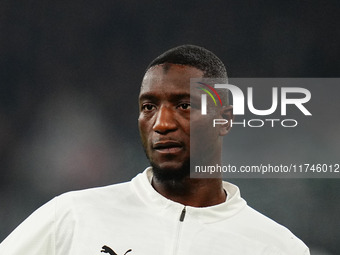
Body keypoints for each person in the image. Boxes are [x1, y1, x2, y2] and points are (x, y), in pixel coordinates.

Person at [0, 45, 310, 255]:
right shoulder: (73, 215)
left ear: (224, 119)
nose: (161, 123)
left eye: (184, 105)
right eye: (149, 106)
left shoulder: (277, 246)